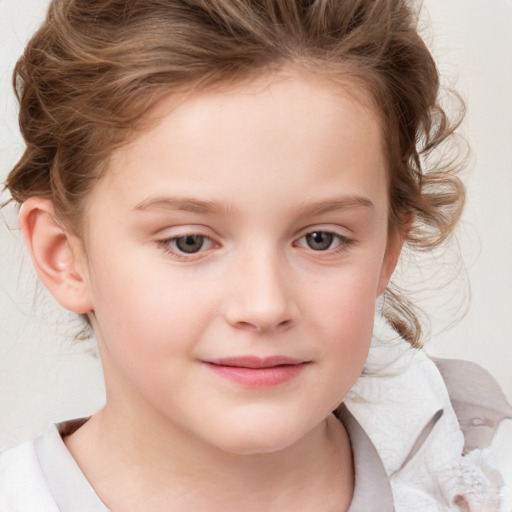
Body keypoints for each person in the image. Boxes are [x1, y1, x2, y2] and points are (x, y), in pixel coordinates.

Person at [0, 0, 510, 510]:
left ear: (386, 252)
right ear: (63, 254)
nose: (264, 306)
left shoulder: (472, 482)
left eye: (320, 239)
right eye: (189, 242)